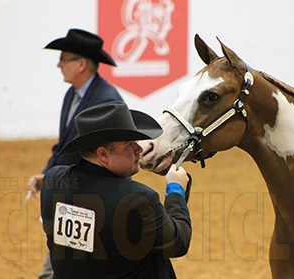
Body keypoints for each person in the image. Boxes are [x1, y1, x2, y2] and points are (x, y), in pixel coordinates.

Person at [40, 101, 192, 278]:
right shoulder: (137, 199)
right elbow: (177, 242)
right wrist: (176, 190)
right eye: (129, 145)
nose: (139, 149)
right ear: (103, 154)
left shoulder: (53, 180)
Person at [28, 28, 123, 278]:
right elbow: (64, 147)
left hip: (90, 200)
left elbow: (110, 158)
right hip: (73, 197)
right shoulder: (73, 94)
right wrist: (47, 174)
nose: (59, 64)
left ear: (81, 64)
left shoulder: (106, 100)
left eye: (64, 58)